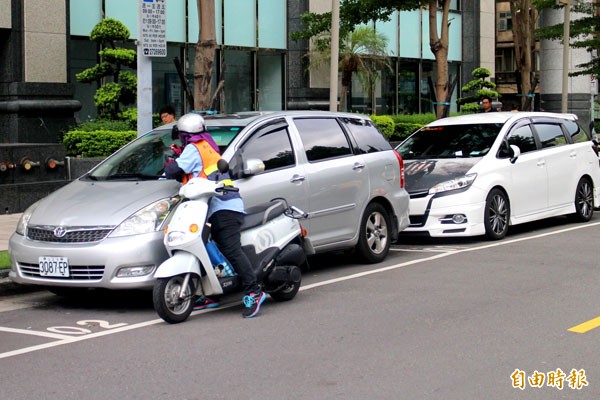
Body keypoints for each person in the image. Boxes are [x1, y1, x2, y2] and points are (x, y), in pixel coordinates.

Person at [164, 113, 267, 318]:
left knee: (230, 248)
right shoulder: (204, 146)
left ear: (185, 134)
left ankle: (254, 291)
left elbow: (173, 170)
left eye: (181, 136)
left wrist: (170, 161)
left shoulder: (195, 147)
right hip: (206, 207)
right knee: (202, 246)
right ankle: (212, 292)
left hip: (223, 205)